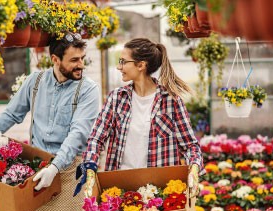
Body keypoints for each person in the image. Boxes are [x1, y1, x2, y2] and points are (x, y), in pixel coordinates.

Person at [0, 33, 100, 211]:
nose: (81, 65)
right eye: (74, 60)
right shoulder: (35, 82)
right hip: (37, 170)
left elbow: (78, 133)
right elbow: (11, 114)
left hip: (69, 171)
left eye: (82, 58)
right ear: (55, 60)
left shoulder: (88, 89)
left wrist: (55, 167)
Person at [75, 38, 204, 201]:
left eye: (123, 61)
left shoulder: (171, 101)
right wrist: (90, 166)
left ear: (141, 65)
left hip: (159, 194)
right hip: (120, 191)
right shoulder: (116, 98)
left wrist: (194, 168)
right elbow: (96, 138)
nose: (119, 67)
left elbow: (190, 146)